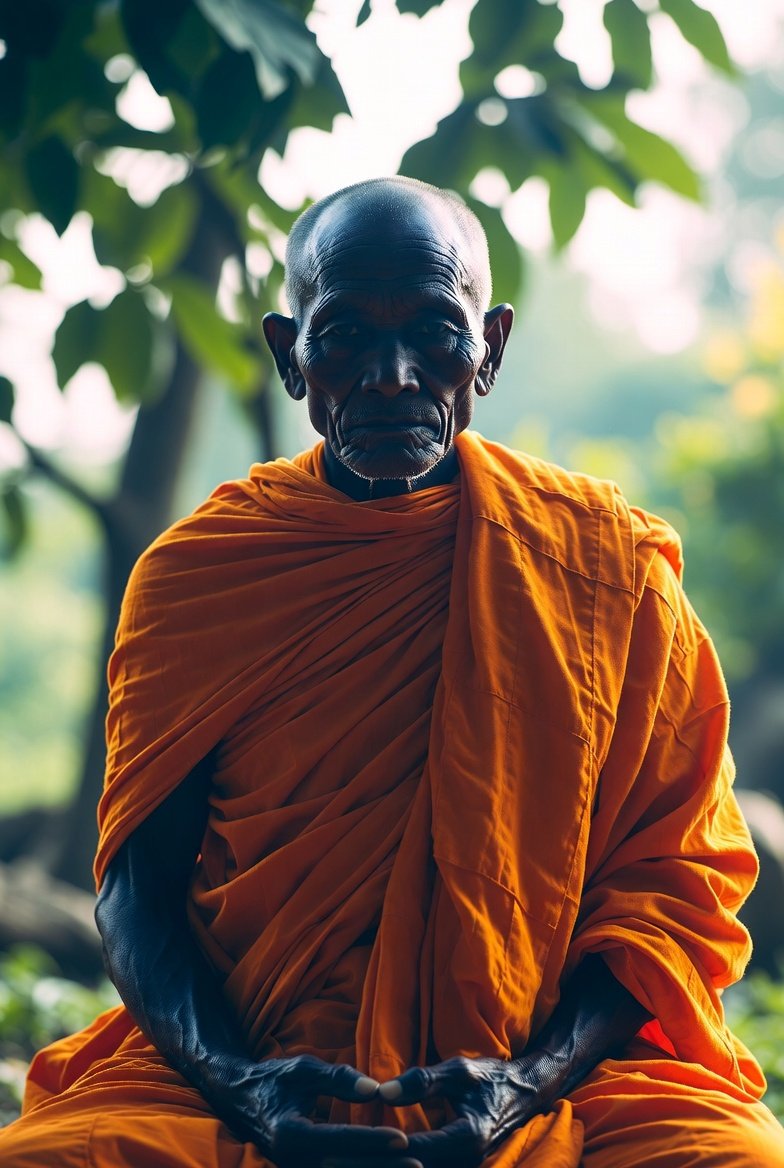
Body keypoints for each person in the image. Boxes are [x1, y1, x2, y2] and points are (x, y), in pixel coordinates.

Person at [2, 175, 783, 1168]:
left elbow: (667, 888)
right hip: (260, 1065)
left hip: (539, 1071)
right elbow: (135, 886)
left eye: (433, 334)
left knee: (732, 1158)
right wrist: (246, 1087)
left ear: (489, 349)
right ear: (291, 357)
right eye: (344, 338)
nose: (390, 376)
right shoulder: (202, 576)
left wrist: (522, 1082)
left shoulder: (601, 569)